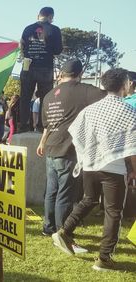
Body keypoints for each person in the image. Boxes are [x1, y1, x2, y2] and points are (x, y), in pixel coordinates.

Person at [52, 68, 136, 271]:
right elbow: (133, 145)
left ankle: (64, 231)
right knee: (113, 211)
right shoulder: (128, 111)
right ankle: (104, 258)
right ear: (124, 84)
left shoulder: (91, 109)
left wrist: (87, 155)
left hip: (89, 164)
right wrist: (134, 170)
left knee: (88, 199)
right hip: (114, 167)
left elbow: (76, 131)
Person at [36, 59, 106, 240]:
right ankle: (62, 232)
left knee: (51, 191)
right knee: (65, 193)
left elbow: (47, 124)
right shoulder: (83, 90)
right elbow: (108, 96)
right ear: (80, 74)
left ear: (61, 74)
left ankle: (48, 227)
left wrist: (42, 142)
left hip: (51, 147)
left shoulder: (49, 95)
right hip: (67, 149)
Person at [19, 7, 62, 132]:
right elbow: (58, 50)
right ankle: (41, 127)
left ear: (38, 15)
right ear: (50, 17)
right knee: (45, 98)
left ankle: (23, 127)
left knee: (25, 97)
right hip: (45, 68)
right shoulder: (54, 30)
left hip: (28, 66)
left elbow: (21, 44)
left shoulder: (27, 28)